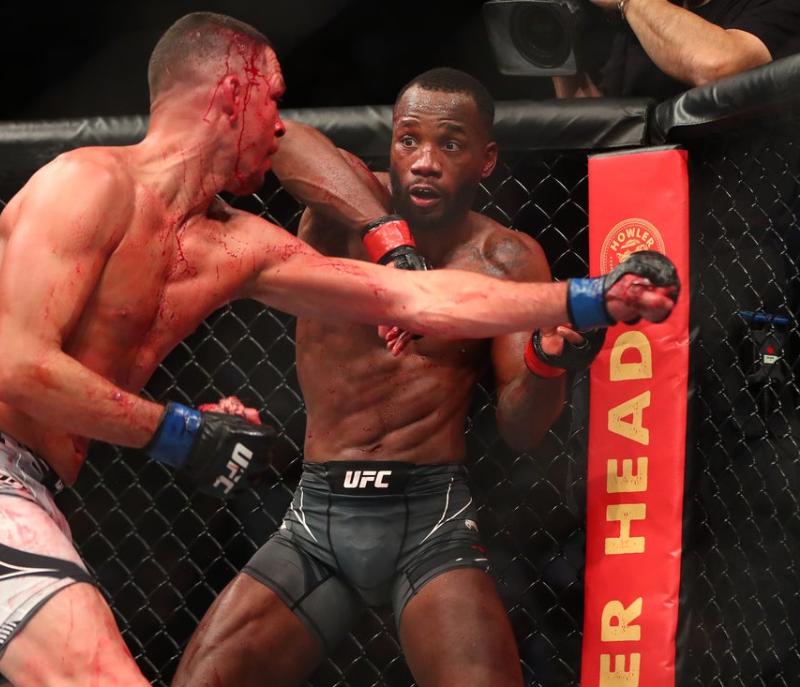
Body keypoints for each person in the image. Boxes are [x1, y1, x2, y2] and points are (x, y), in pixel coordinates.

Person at [0, 12, 675, 685]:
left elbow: (412, 296)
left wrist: (587, 295)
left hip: (44, 486)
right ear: (233, 94)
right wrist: (177, 431)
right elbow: (19, 368)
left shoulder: (237, 243)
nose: (282, 124)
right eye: (274, 100)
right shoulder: (84, 185)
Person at [172, 67, 643, 687]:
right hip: (317, 518)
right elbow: (284, 139)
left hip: (430, 521)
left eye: (449, 144)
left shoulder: (504, 259)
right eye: (408, 140)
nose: (424, 161)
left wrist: (546, 362)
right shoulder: (339, 214)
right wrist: (393, 248)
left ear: (486, 159)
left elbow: (521, 427)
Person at [554, 0, 800, 100]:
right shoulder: (635, 26)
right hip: (650, 201)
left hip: (746, 197)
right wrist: (554, 37)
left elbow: (718, 67)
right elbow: (600, 130)